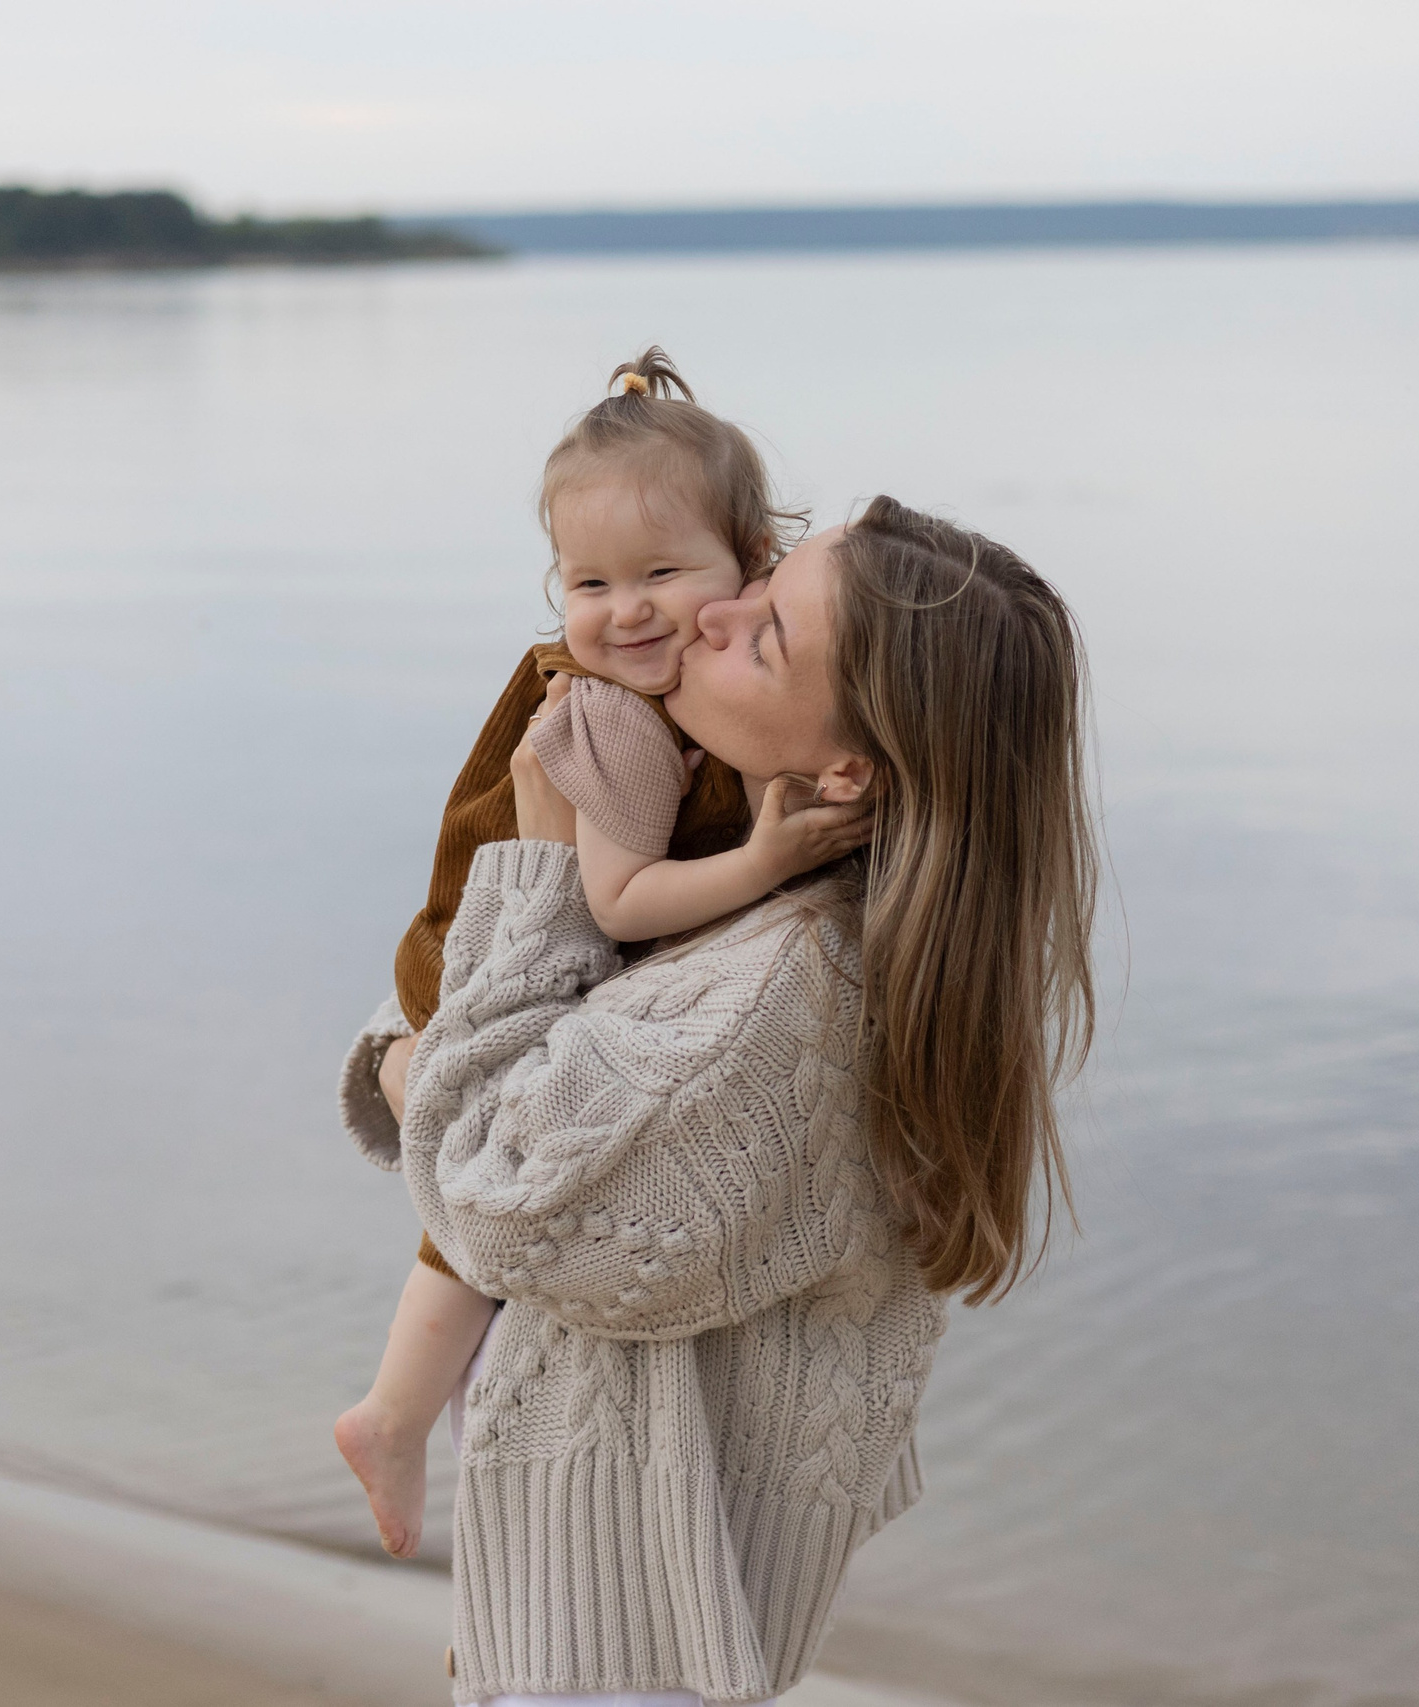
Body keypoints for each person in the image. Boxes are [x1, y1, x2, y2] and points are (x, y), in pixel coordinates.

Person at [340, 496, 1099, 1705]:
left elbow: (498, 1202)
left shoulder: (783, 996)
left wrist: (535, 869)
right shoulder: (760, 903)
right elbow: (504, 1048)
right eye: (759, 579)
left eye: (763, 637)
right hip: (614, 1605)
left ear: (844, 767)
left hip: (622, 1634)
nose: (708, 616)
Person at [333, 350, 863, 1561]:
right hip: (477, 959)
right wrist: (769, 862)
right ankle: (398, 1412)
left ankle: (397, 1411)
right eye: (588, 582)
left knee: (480, 1218)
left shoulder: (684, 698)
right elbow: (620, 904)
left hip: (501, 954)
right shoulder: (619, 719)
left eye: (661, 575)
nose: (625, 611)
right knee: (480, 1212)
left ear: (749, 569)